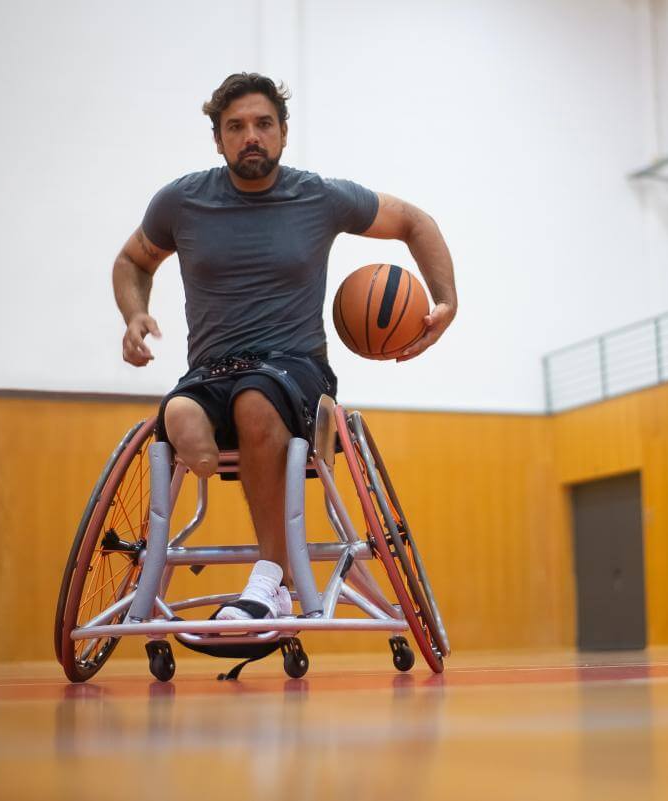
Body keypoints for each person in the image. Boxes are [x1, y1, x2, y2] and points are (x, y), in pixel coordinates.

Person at [111, 72, 456, 622]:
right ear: (219, 139)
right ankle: (183, 464)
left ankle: (270, 578)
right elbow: (132, 260)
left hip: (295, 372)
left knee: (255, 399)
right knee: (180, 409)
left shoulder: (318, 196)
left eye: (263, 124)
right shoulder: (181, 202)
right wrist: (134, 315)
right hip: (211, 371)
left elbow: (415, 221)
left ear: (283, 133)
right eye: (237, 126)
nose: (251, 135)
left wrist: (445, 302)